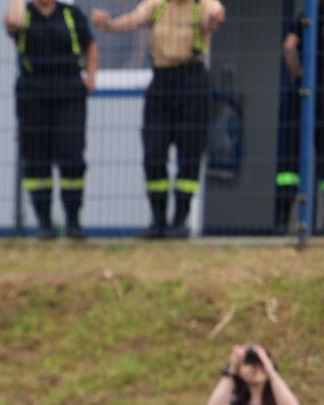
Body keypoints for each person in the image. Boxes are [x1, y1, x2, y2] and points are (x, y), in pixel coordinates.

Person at [92, 0, 227, 239]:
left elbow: (215, 14)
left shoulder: (201, 4)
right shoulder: (157, 4)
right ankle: (158, 220)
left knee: (190, 154)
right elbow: (134, 20)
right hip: (162, 79)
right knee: (153, 152)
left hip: (193, 79)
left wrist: (214, 18)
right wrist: (109, 25)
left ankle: (180, 221)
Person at [5, 0, 98, 239]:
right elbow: (12, 23)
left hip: (68, 92)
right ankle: (45, 223)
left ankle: (73, 222)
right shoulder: (23, 14)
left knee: (72, 158)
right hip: (32, 93)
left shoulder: (71, 14)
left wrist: (91, 77)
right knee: (36, 160)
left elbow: (90, 46)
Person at [274, 0, 324, 235]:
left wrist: (299, 73)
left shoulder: (304, 19)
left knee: (291, 158)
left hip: (303, 94)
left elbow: (289, 47)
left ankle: (282, 221)